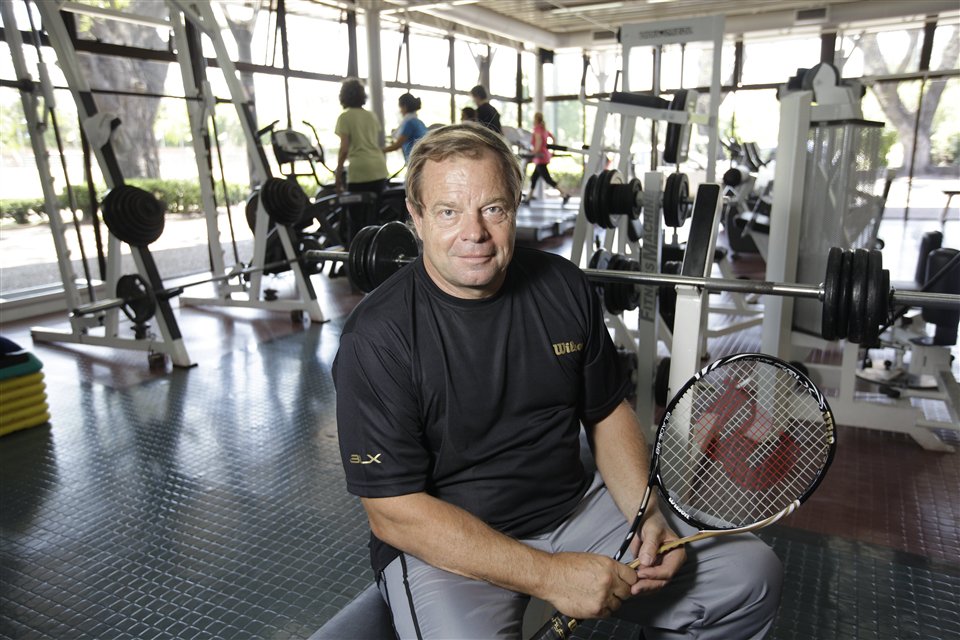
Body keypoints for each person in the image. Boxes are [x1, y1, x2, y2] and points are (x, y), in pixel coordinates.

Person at [333, 123, 782, 640]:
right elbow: (393, 514)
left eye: (493, 209)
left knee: (751, 577)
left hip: (572, 509)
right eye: (448, 212)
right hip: (448, 542)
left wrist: (646, 512)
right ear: (416, 217)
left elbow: (606, 412)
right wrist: (549, 575)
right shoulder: (377, 338)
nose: (474, 233)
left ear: (515, 207)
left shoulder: (562, 286)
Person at [334, 77, 388, 196]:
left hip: (360, 171)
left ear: (343, 96)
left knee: (357, 213)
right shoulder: (371, 116)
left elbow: (344, 150)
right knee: (376, 212)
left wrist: (337, 178)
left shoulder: (344, 117)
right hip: (379, 168)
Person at [527, 111, 571, 206]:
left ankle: (564, 194)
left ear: (535, 119)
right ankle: (528, 198)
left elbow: (538, 143)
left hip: (540, 157)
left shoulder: (537, 129)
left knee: (548, 179)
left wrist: (533, 152)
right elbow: (553, 139)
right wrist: (553, 151)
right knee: (534, 178)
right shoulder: (544, 129)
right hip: (544, 155)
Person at [383, 92, 428, 163]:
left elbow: (397, 145)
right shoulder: (418, 122)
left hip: (416, 161)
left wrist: (380, 151)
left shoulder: (409, 123)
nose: (400, 111)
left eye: (400, 108)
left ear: (404, 107)